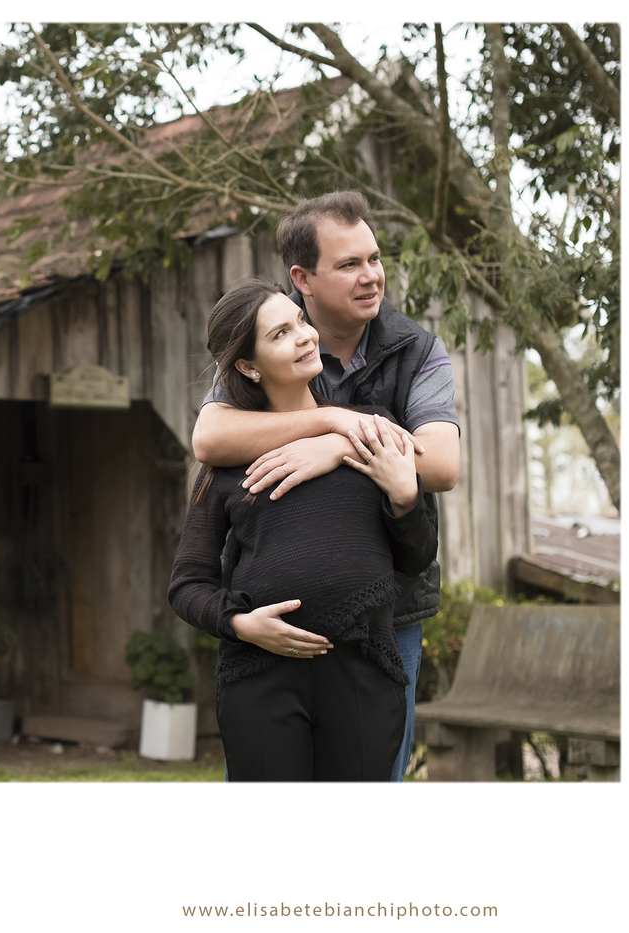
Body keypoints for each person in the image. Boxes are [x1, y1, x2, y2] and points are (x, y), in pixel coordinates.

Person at [192, 192, 460, 781]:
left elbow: (440, 464)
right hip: (269, 635)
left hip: (385, 617)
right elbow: (210, 438)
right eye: (348, 265)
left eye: (374, 258)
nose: (371, 277)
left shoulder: (418, 351)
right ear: (301, 278)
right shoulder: (265, 330)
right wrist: (333, 420)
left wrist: (340, 448)